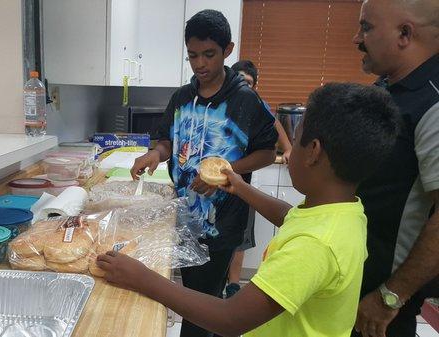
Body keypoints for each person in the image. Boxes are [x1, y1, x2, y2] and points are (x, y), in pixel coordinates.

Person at [99, 83, 401, 337]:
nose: (290, 150)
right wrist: (240, 186)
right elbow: (290, 217)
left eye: (295, 141)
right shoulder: (344, 213)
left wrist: (143, 278)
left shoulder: (315, 247)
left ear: (314, 152)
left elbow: (229, 319)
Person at [129, 9, 278, 337]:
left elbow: (269, 152)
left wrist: (227, 173)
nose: (200, 64)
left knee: (202, 309)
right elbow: (167, 139)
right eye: (193, 56)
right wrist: (155, 153)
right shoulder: (182, 97)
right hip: (184, 218)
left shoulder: (244, 100)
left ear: (227, 50)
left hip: (221, 225)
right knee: (189, 300)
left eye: (208, 54)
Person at [351, 1, 439, 336]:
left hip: (379, 306)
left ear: (405, 34)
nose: (356, 38)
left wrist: (391, 296)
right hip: (351, 287)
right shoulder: (387, 90)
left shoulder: (432, 103)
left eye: (367, 27)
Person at [223, 60, 294, 298]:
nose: (244, 86)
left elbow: (276, 126)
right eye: (239, 80)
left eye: (249, 82)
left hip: (241, 185)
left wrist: (287, 149)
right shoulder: (223, 103)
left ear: (255, 86)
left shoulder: (256, 105)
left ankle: (233, 286)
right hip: (215, 182)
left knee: (240, 237)